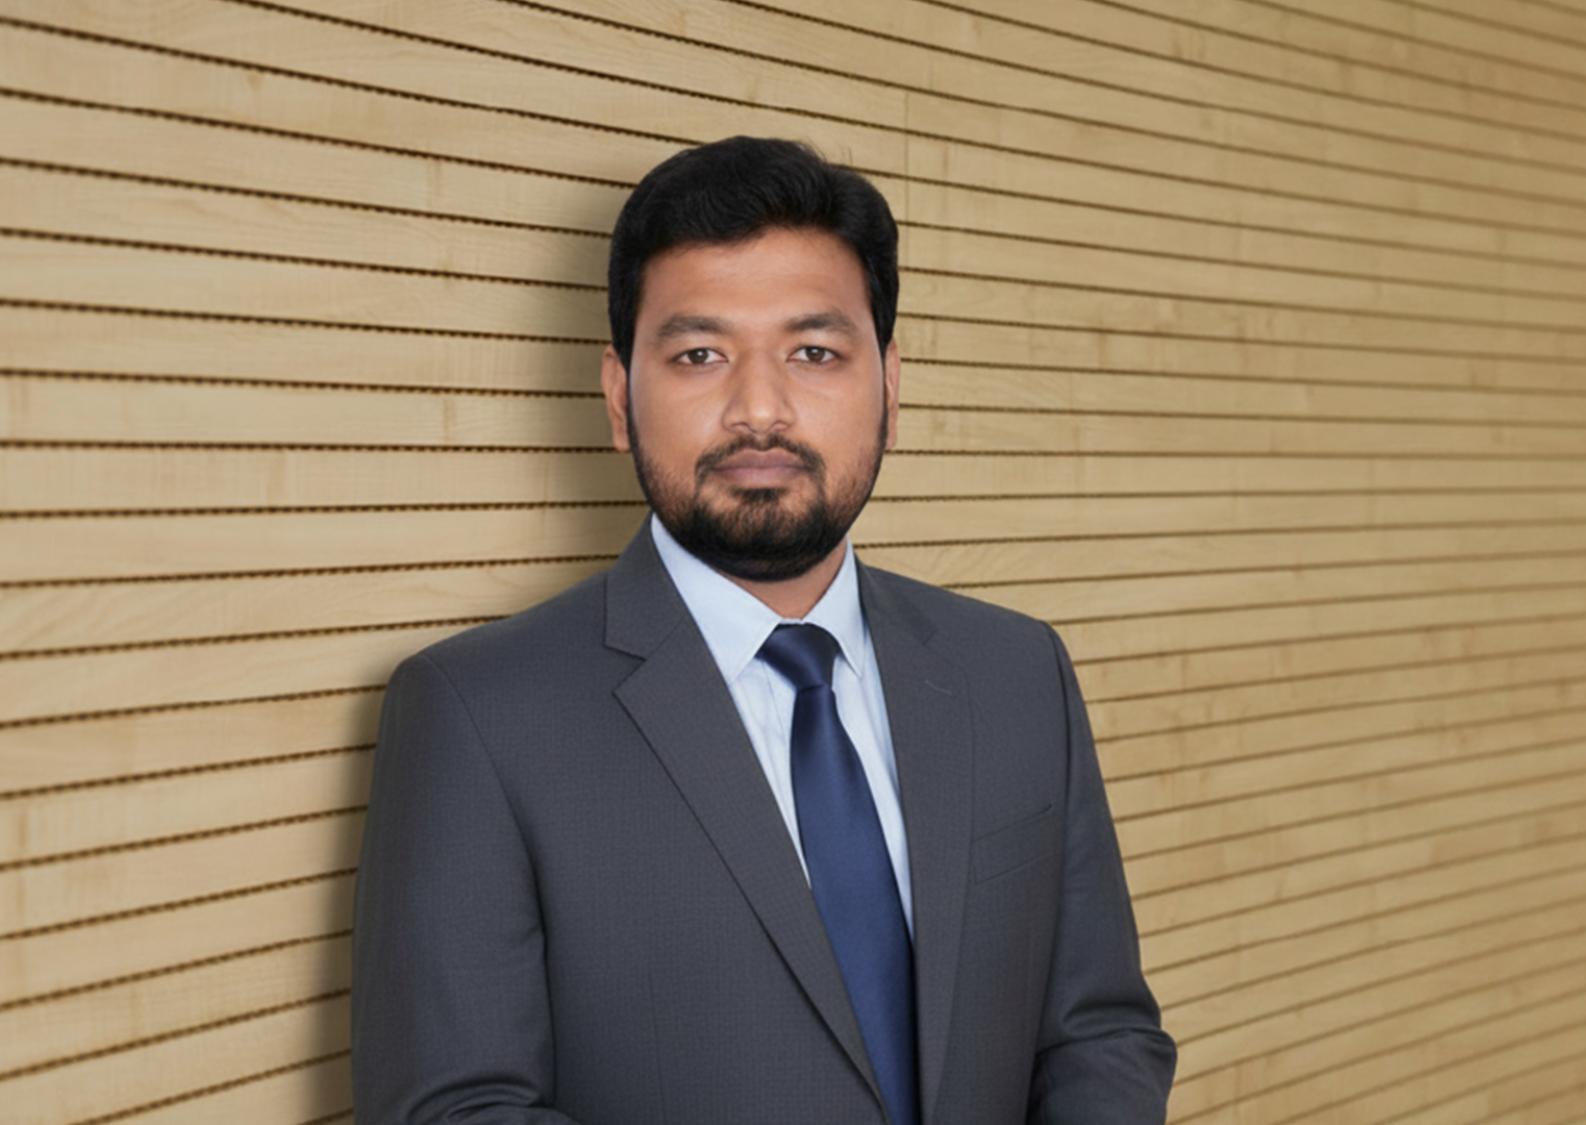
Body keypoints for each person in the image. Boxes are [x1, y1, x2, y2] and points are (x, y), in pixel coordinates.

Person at [349, 135, 1176, 1124]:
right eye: (699, 355)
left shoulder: (1015, 670)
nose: (759, 409)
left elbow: (1099, 1031)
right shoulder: (478, 714)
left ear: (890, 388)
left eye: (813, 352)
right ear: (619, 398)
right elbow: (456, 1108)